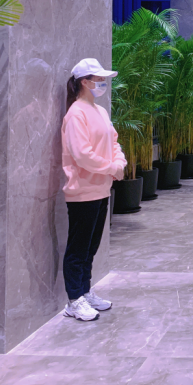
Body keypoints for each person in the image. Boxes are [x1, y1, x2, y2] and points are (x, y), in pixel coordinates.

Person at [60, 58, 126, 321]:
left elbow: (114, 141)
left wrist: (119, 163)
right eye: (99, 79)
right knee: (78, 249)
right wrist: (111, 167)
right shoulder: (75, 113)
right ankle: (74, 300)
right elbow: (82, 155)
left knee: (91, 247)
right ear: (85, 82)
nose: (102, 83)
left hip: (101, 189)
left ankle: (85, 292)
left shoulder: (100, 111)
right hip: (82, 191)